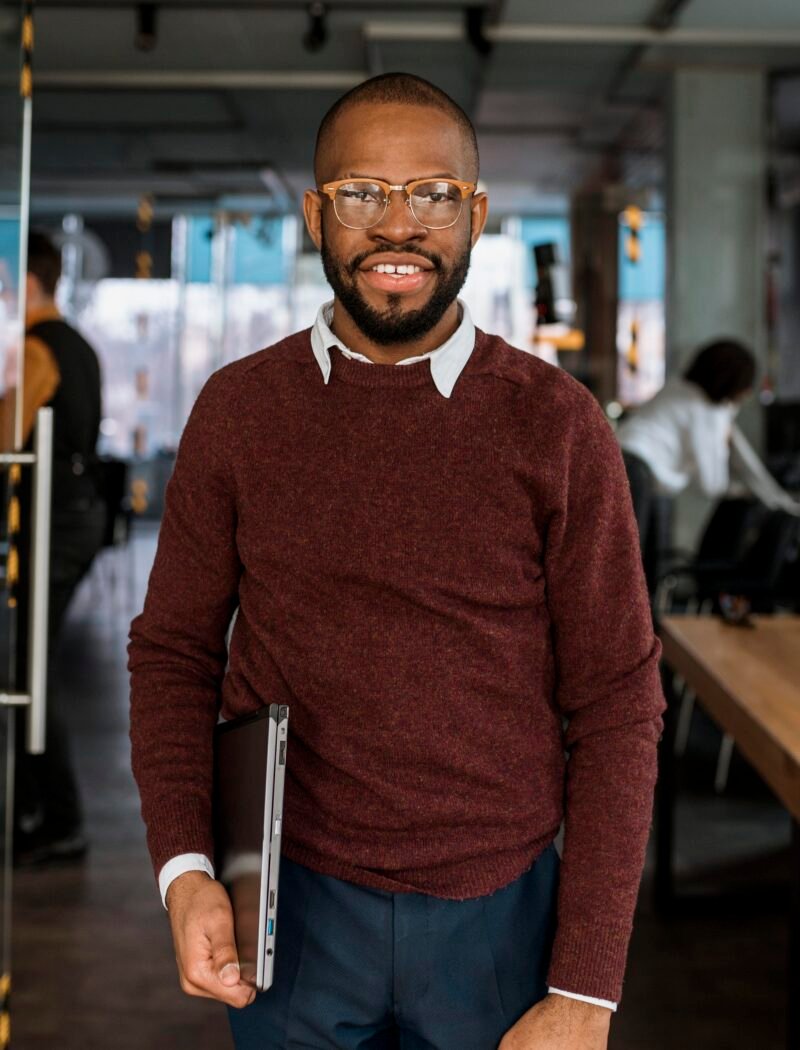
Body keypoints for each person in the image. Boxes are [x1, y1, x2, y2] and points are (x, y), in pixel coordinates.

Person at [129, 73, 665, 1050]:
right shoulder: (239, 411)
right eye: (362, 194)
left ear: (474, 214)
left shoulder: (556, 425)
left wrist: (586, 987)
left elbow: (618, 702)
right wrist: (186, 868)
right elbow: (172, 654)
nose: (396, 226)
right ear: (314, 214)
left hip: (498, 914)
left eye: (430, 194)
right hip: (289, 910)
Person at [2, 231, 106, 865]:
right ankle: (40, 811)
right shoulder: (78, 345)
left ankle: (56, 818)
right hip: (74, 516)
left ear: (29, 284)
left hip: (55, 524)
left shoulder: (39, 348)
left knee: (29, 670)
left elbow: (6, 431)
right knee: (28, 667)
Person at [617, 339, 800, 593]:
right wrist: (731, 466)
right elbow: (712, 483)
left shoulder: (679, 388)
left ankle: (643, 626)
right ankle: (639, 628)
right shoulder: (706, 411)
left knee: (638, 560)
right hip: (637, 472)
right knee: (634, 564)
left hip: (621, 459)